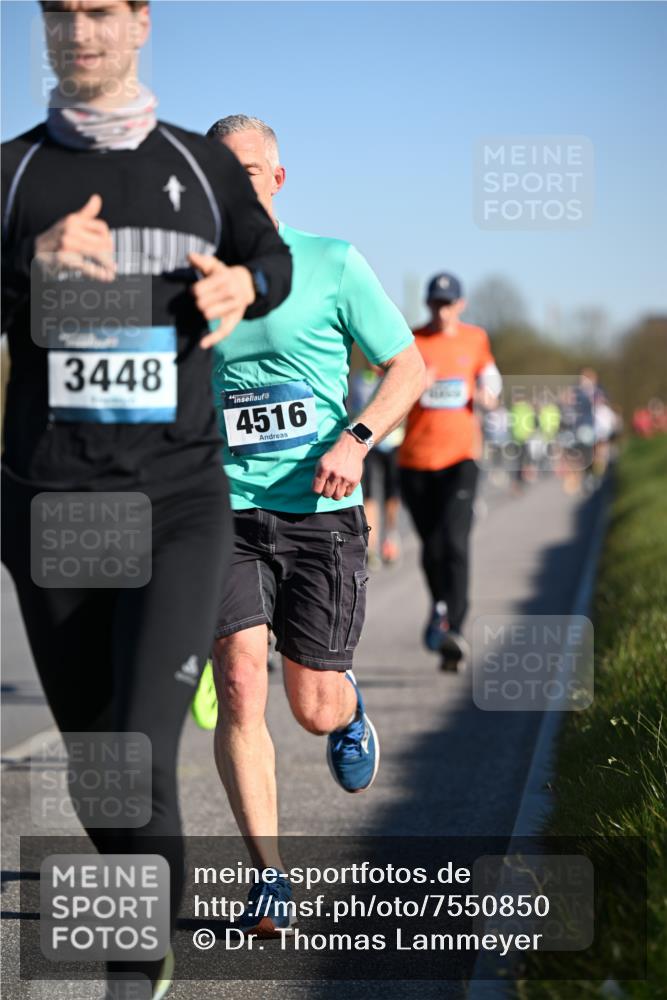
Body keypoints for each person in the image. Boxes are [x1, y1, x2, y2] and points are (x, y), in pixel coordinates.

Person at [1, 4, 291, 998]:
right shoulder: (11, 176)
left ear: (138, 23)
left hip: (177, 503)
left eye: (98, 10)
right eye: (58, 11)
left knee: (136, 750)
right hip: (50, 505)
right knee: (97, 771)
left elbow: (275, 258)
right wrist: (25, 271)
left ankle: (135, 968)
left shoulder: (201, 166)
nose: (77, 28)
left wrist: (244, 284)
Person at [192, 114, 424, 935]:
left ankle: (348, 705)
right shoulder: (187, 282)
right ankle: (269, 879)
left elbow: (409, 366)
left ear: (277, 180)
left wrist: (357, 440)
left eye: (252, 171)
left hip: (322, 511)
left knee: (312, 709)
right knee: (240, 681)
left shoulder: (331, 263)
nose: (239, 185)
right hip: (227, 510)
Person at [398, 273, 501, 671]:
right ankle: (440, 606)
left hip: (461, 458)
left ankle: (454, 626)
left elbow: (489, 373)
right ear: (428, 305)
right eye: (435, 304)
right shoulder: (411, 340)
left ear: (461, 304)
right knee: (430, 548)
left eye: (448, 303)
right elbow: (382, 378)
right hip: (416, 462)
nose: (441, 311)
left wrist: (490, 391)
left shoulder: (475, 339)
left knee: (454, 542)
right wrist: (414, 382)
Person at [348, 362, 404, 568]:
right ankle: (371, 548)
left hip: (394, 442)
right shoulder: (358, 378)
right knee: (369, 494)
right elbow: (352, 409)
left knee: (392, 494)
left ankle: (390, 537)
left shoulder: (393, 375)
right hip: (368, 446)